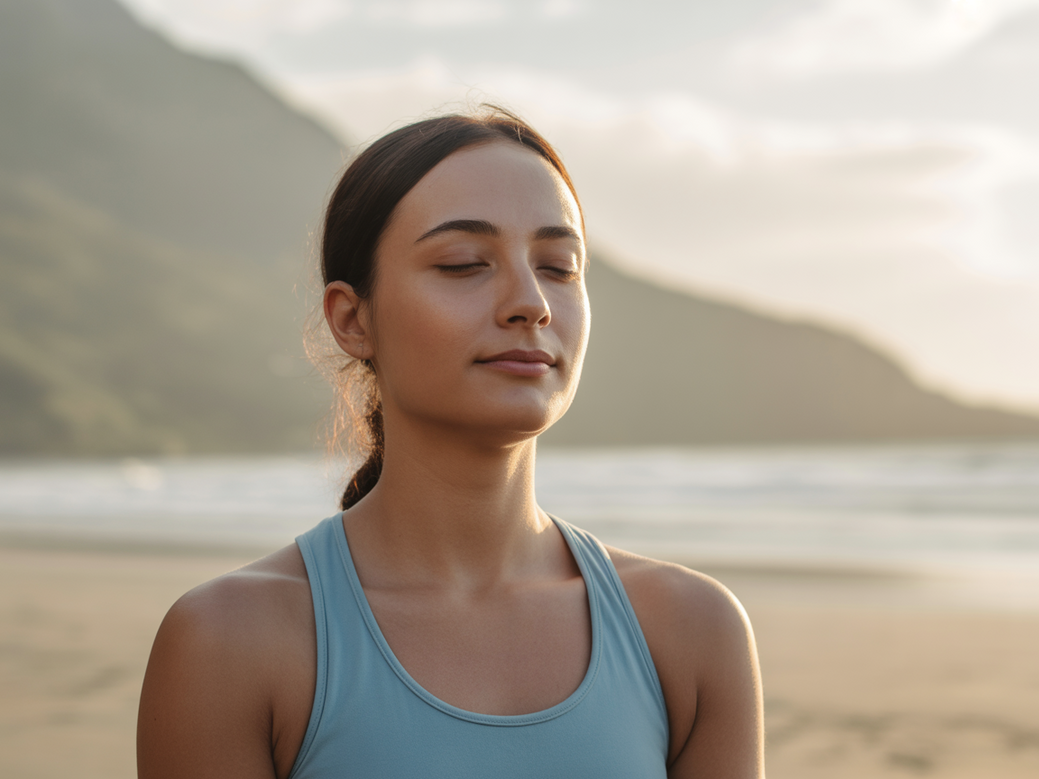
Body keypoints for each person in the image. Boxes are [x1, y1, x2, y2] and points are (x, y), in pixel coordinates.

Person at [137, 107, 764, 779]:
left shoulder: (692, 630)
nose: (530, 302)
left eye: (558, 266)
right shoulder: (232, 640)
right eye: (464, 263)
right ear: (352, 319)